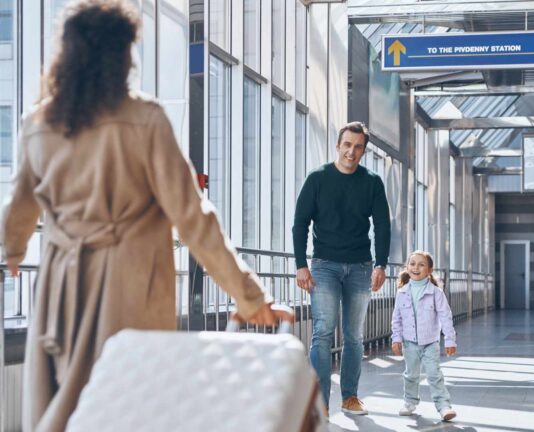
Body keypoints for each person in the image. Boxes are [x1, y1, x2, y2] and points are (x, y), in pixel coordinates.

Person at [0, 2, 291, 430]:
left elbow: (20, 203)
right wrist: (249, 297)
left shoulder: (39, 122)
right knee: (126, 406)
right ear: (121, 55)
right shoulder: (145, 119)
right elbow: (193, 218)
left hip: (59, 285)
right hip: (127, 285)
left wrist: (11, 251)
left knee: (62, 407)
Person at [292, 121, 391, 415]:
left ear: (364, 150)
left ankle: (350, 397)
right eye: (347, 145)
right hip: (324, 266)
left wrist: (381, 264)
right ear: (338, 145)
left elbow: (383, 226)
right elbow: (300, 224)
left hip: (361, 267)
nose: (351, 151)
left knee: (354, 335)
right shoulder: (318, 178)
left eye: (358, 146)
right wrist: (300, 265)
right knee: (323, 332)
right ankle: (320, 404)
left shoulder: (372, 182)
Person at [391, 251, 457, 422]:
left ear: (429, 270)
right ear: (407, 267)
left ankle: (444, 406)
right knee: (411, 374)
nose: (416, 267)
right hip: (409, 343)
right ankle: (409, 402)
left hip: (430, 342)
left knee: (434, 374)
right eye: (412, 263)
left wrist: (450, 339)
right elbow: (396, 318)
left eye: (421, 264)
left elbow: (446, 317)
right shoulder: (402, 293)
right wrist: (396, 338)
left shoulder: (436, 293)